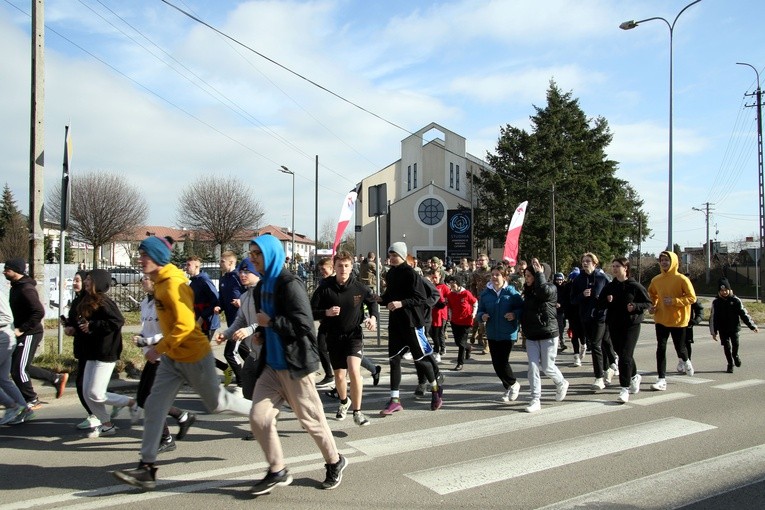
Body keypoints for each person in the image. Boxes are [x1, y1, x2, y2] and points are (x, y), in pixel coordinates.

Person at [112, 236, 251, 490]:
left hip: (194, 355)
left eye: (145, 255)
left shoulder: (172, 286)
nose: (140, 259)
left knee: (218, 403)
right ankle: (147, 468)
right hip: (173, 357)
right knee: (154, 405)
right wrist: (162, 349)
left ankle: (260, 411)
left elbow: (186, 327)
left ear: (156, 258)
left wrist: (158, 349)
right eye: (140, 255)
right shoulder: (159, 283)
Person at [246, 234, 348, 494]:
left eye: (257, 253)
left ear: (270, 254)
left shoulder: (290, 284)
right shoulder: (260, 288)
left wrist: (271, 324)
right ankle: (277, 470)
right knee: (259, 418)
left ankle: (335, 461)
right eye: (250, 253)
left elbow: (304, 325)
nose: (252, 258)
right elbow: (266, 320)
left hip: (294, 365)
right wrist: (261, 331)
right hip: (271, 366)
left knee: (311, 420)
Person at [311, 251, 379, 427]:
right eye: (340, 265)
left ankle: (358, 412)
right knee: (339, 377)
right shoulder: (325, 287)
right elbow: (310, 311)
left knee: (354, 370)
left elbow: (372, 303)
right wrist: (325, 313)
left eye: (346, 265)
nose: (343, 269)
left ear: (351, 267)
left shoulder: (359, 288)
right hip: (333, 335)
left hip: (353, 335)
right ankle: (344, 402)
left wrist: (373, 318)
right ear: (334, 267)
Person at [68, 269, 138, 438]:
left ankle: (132, 403)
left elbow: (117, 321)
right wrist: (74, 327)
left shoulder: (104, 301)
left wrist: (93, 326)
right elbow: (83, 323)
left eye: (89, 280)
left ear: (98, 283)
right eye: (86, 279)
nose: (85, 282)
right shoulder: (85, 300)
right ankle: (106, 425)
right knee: (87, 393)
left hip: (106, 352)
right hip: (90, 351)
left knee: (96, 393)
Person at [133, 274, 197, 452]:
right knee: (143, 398)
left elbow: (173, 332)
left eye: (145, 277)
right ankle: (182, 416)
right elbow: (147, 327)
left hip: (166, 356)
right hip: (153, 356)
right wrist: (141, 337)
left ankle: (166, 438)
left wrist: (147, 341)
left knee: (151, 399)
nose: (142, 281)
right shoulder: (146, 302)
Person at [378, 242, 443, 416]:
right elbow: (389, 296)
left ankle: (436, 390)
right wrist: (378, 298)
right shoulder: (390, 273)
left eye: (394, 255)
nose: (391, 258)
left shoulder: (411, 273)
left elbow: (420, 297)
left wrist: (401, 303)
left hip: (412, 323)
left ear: (402, 256)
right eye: (390, 255)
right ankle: (395, 400)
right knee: (394, 361)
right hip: (396, 324)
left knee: (421, 359)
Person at [4, 258, 68, 410]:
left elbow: (39, 311)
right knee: (18, 366)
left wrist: (22, 329)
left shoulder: (26, 289)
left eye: (7, 269)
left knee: (18, 369)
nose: (4, 271)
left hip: (30, 333)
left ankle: (31, 399)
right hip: (22, 332)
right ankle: (56, 379)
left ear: (16, 271)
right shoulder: (16, 287)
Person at [216, 257, 262, 441]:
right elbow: (240, 320)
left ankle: (311, 417)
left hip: (272, 353)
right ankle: (259, 426)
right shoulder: (245, 296)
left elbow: (266, 318)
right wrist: (226, 334)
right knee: (248, 385)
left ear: (256, 274)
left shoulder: (263, 293)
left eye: (246, 271)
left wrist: (250, 329)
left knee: (293, 396)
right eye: (241, 271)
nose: (242, 275)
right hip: (255, 352)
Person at [597, 258, 651, 403]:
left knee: (625, 356)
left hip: (631, 325)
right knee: (622, 354)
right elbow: (599, 304)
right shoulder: (610, 287)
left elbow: (647, 303)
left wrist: (635, 306)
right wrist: (606, 301)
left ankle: (624, 389)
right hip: (614, 325)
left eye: (617, 266)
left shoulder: (634, 286)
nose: (614, 269)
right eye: (613, 266)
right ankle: (634, 376)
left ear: (625, 268)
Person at [520, 258, 568, 413]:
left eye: (529, 275)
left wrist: (540, 274)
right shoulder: (527, 291)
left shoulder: (550, 288)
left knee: (547, 367)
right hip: (532, 335)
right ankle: (535, 399)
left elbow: (543, 292)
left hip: (548, 333)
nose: (526, 278)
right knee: (532, 367)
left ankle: (561, 383)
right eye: (525, 275)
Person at [647, 251, 697, 391]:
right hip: (661, 318)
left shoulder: (682, 279)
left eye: (667, 260)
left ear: (673, 262)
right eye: (662, 260)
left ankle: (686, 360)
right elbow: (652, 294)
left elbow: (692, 298)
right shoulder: (656, 279)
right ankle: (661, 379)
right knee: (661, 348)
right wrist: (653, 305)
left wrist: (675, 301)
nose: (664, 263)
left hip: (678, 320)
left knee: (680, 347)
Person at [477, 265, 524, 402]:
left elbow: (521, 308)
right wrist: (482, 316)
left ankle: (514, 384)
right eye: (492, 275)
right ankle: (509, 386)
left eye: (497, 275)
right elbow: (479, 311)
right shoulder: (486, 293)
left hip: (507, 332)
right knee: (496, 363)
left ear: (504, 277)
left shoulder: (511, 292)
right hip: (492, 332)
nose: (494, 277)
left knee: (503, 362)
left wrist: (514, 314)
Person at [570, 253, 616, 391]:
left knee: (596, 345)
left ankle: (599, 378)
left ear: (595, 263)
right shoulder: (578, 280)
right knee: (598, 345)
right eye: (583, 261)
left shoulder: (603, 278)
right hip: (585, 317)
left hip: (601, 317)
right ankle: (608, 369)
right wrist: (581, 295)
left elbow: (612, 294)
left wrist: (610, 299)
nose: (585, 263)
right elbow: (572, 300)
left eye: (588, 261)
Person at [68, 269, 100, 430]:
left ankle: (96, 414)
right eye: (74, 280)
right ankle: (95, 413)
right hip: (81, 347)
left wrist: (90, 326)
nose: (76, 283)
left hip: (93, 348)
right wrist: (69, 327)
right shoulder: (76, 301)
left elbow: (107, 322)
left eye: (78, 280)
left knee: (86, 386)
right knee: (84, 385)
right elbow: (74, 321)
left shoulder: (92, 301)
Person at [709, 277, 759, 373]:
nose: (724, 292)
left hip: (734, 328)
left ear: (729, 290)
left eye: (726, 290)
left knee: (735, 344)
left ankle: (735, 356)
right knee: (726, 347)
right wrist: (713, 332)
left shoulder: (735, 300)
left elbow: (744, 314)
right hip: (723, 329)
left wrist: (752, 326)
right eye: (722, 290)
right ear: (719, 291)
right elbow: (713, 318)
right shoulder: (716, 302)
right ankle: (730, 364)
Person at [214, 250, 248, 386]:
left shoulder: (239, 277)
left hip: (241, 320)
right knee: (243, 350)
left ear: (231, 262)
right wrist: (219, 307)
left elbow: (249, 294)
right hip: (231, 322)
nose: (220, 263)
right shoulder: (223, 278)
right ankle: (259, 371)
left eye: (222, 261)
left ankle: (242, 381)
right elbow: (222, 298)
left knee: (229, 353)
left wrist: (241, 301)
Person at [0, 288, 32, 425]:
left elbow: (7, 317)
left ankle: (12, 406)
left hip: (4, 338)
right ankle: (24, 409)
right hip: (5, 338)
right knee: (2, 378)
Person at [444, 274, 477, 371]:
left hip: (466, 321)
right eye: (450, 283)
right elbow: (449, 307)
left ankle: (460, 363)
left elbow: (475, 302)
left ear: (458, 284)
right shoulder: (450, 295)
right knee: (458, 342)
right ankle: (468, 347)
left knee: (461, 343)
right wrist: (449, 318)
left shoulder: (466, 293)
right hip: (455, 321)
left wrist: (473, 314)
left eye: (453, 283)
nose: (452, 285)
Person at [469, 253, 491, 354]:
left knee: (485, 322)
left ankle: (486, 345)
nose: (480, 262)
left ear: (487, 261)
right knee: (476, 321)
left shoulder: (491, 272)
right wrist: (473, 297)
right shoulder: (475, 273)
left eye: (483, 260)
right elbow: (472, 285)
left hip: (489, 299)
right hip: (478, 299)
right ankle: (475, 334)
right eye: (479, 260)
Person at [552, 273, 568, 352]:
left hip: (562, 311)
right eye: (557, 279)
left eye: (561, 279)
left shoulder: (565, 288)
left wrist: (561, 304)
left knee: (561, 327)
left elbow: (566, 298)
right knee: (555, 328)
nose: (559, 281)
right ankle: (559, 343)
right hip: (553, 311)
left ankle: (562, 343)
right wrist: (554, 304)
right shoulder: (552, 287)